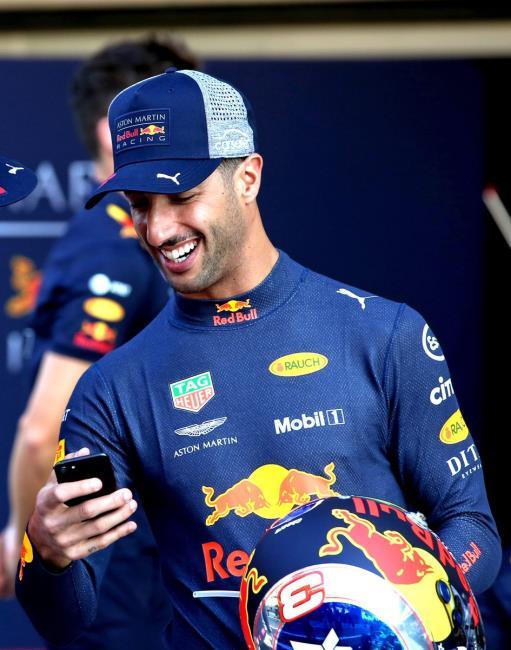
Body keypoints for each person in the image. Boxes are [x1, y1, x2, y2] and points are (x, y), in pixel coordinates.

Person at [16, 68, 501, 648]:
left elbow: (473, 528)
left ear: (248, 177)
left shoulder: (384, 333)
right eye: (140, 205)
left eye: (182, 197)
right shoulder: (113, 388)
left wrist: (392, 601)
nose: (159, 229)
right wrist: (47, 551)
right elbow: (63, 619)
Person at [0, 36, 199, 649]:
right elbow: (43, 428)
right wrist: (25, 538)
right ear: (113, 136)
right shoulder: (112, 244)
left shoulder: (143, 238)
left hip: (155, 558)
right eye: (175, 126)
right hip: (115, 568)